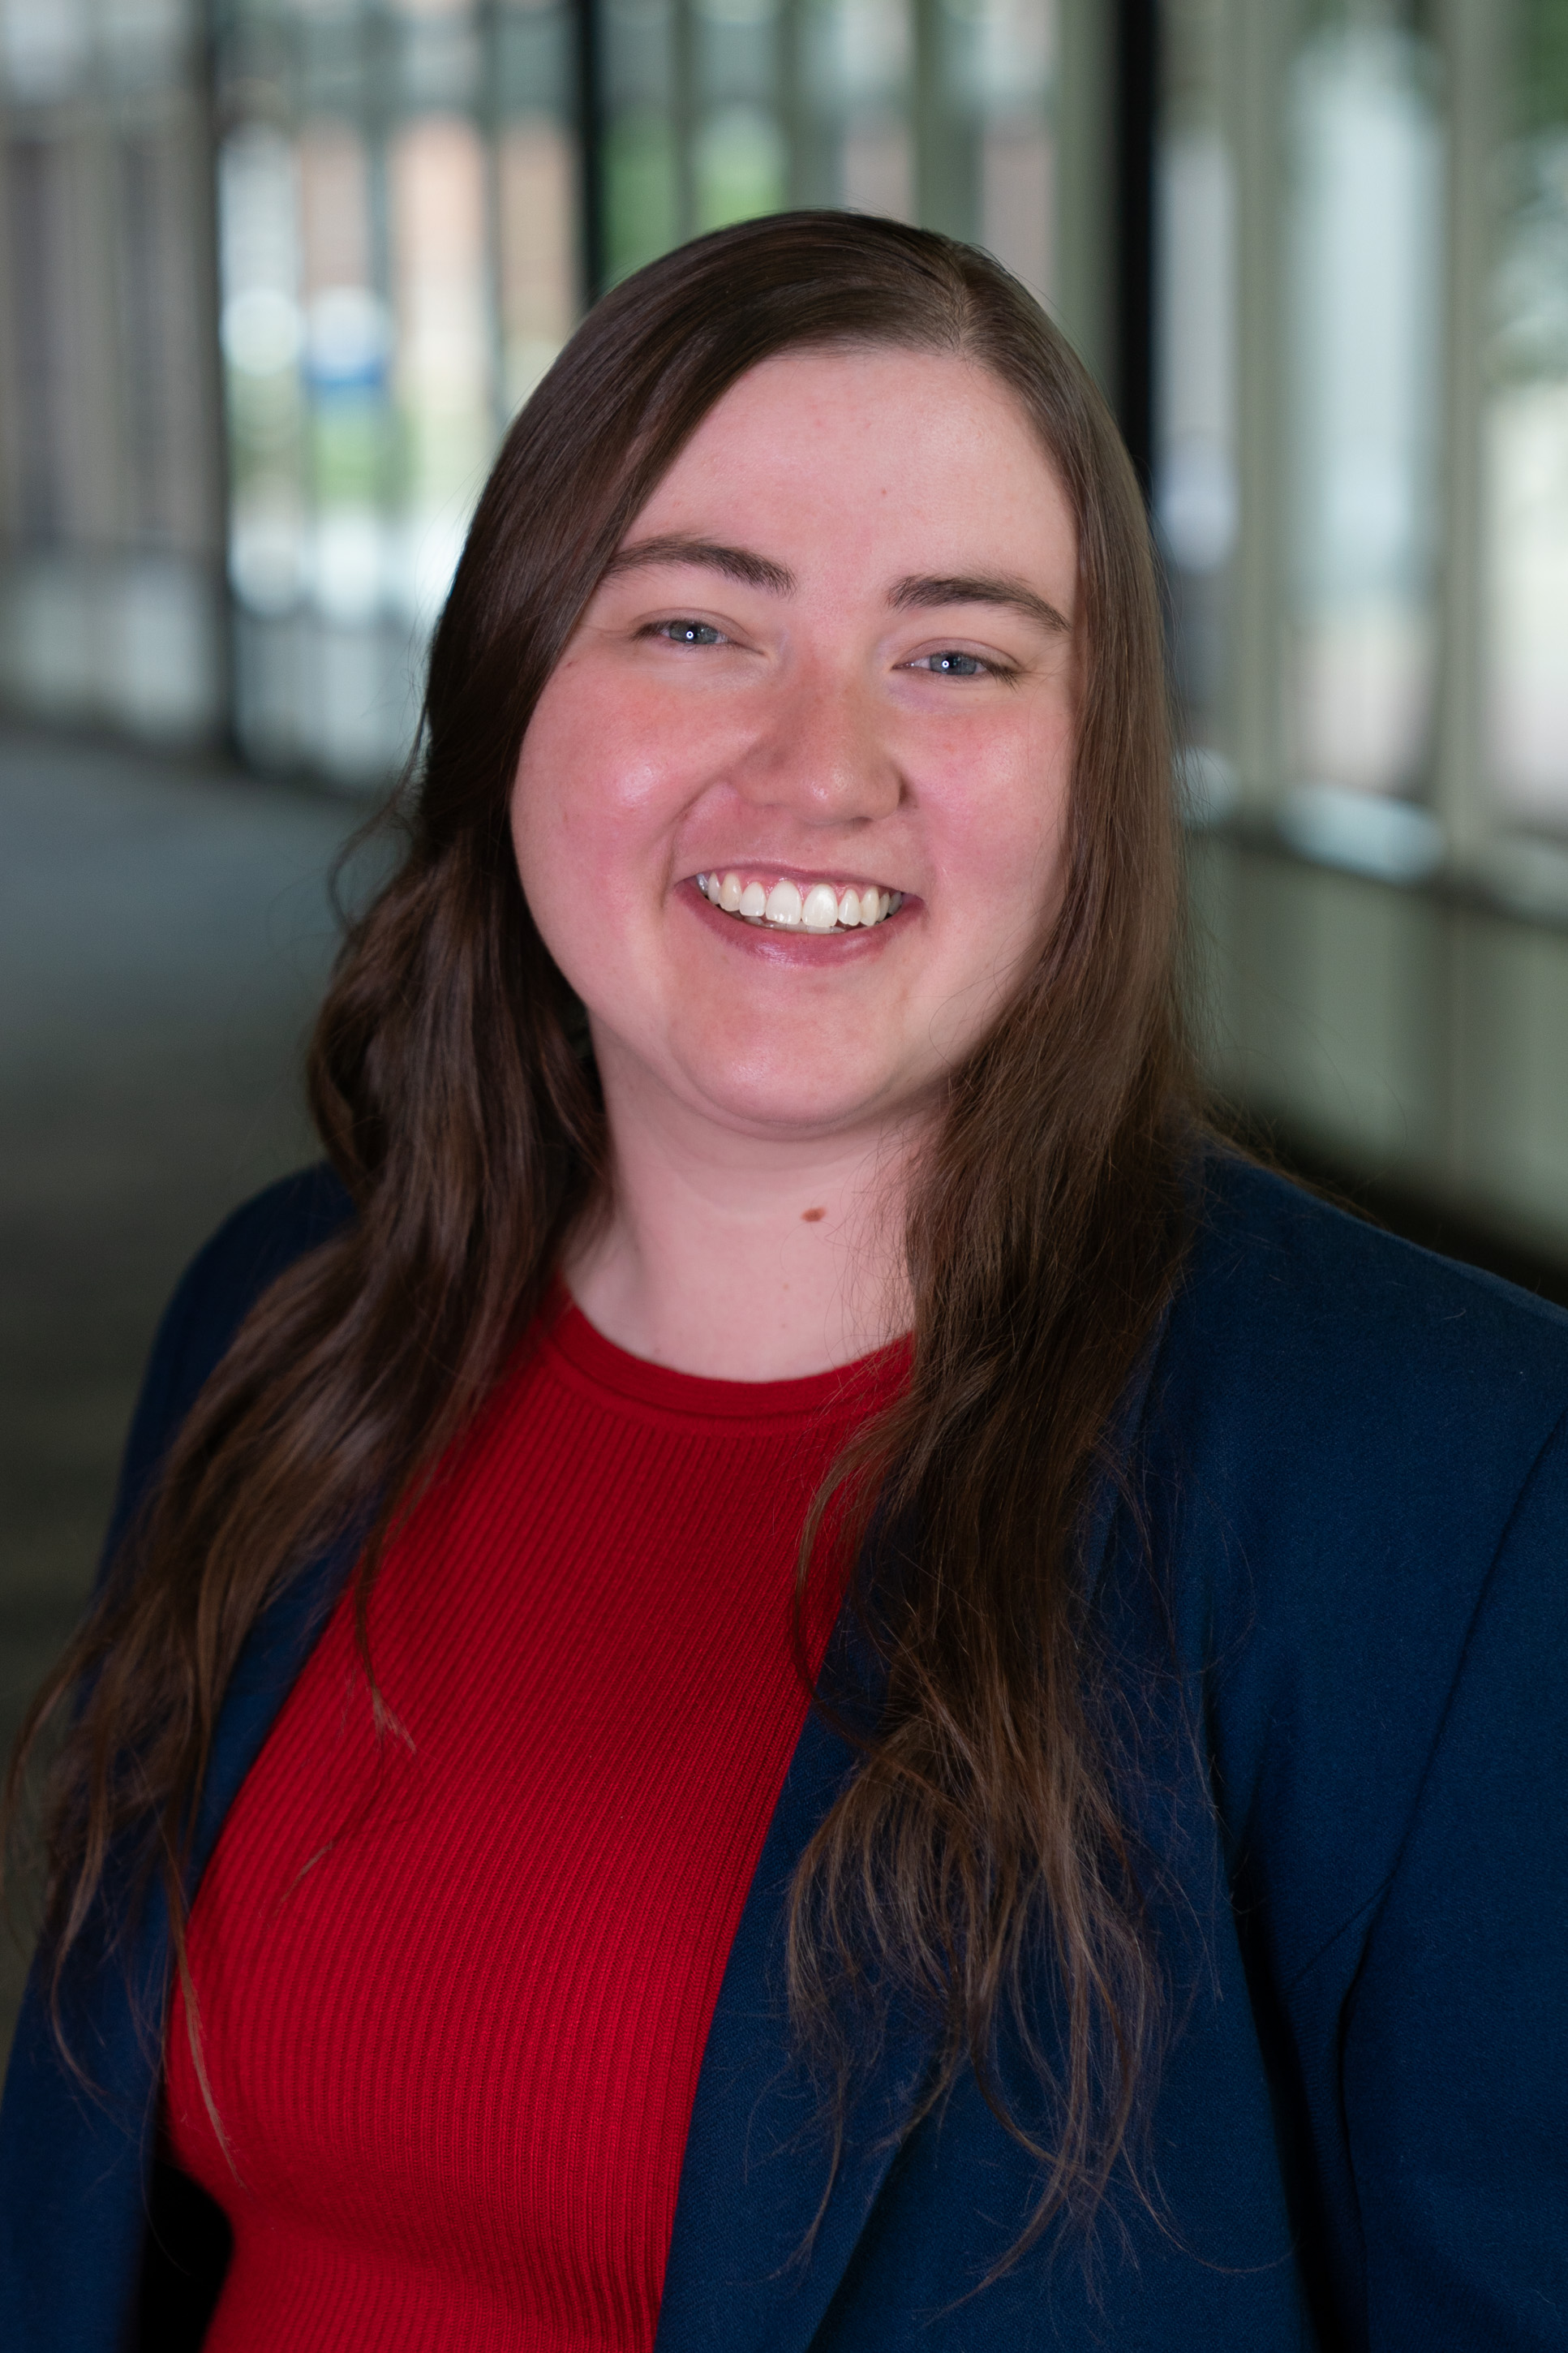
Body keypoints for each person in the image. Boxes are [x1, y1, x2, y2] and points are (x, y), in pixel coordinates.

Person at [2, 212, 1565, 2351]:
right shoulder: (281, 1323)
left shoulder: (1443, 1487)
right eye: (696, 627)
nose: (823, 766)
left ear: (1095, 775)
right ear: (514, 686)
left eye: (957, 652)